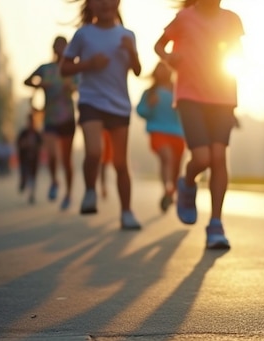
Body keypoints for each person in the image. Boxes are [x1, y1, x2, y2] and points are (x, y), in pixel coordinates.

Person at [154, 0, 243, 249]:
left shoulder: (232, 19)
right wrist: (170, 57)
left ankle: (216, 224)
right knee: (202, 159)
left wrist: (230, 55)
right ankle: (187, 183)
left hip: (223, 96)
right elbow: (158, 46)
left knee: (218, 157)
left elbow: (237, 52)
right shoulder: (184, 18)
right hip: (190, 96)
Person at [60, 0, 142, 230]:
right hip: (91, 101)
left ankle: (127, 212)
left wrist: (131, 52)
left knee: (120, 163)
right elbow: (64, 68)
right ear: (91, 5)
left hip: (119, 105)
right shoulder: (83, 34)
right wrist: (88, 64)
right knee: (94, 151)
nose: (106, 3)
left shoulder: (127, 35)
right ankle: (89, 191)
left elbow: (137, 70)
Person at [24, 36, 78, 210]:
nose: (61, 49)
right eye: (58, 46)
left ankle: (69, 194)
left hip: (68, 118)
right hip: (50, 118)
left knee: (66, 159)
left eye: (64, 46)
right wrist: (40, 84)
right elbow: (26, 81)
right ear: (53, 48)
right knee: (52, 155)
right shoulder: (46, 69)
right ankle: (55, 181)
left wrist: (72, 87)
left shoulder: (72, 69)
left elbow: (81, 85)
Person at [136, 61, 186, 213]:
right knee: (167, 158)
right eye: (159, 68)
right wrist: (149, 106)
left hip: (178, 133)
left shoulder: (179, 90)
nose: (162, 71)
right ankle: (166, 189)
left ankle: (172, 191)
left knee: (176, 167)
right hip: (157, 131)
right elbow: (140, 111)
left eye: (165, 68)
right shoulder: (150, 92)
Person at [16, 110, 43, 204]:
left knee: (33, 178)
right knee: (24, 174)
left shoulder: (37, 134)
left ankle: (31, 195)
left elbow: (41, 145)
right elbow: (18, 144)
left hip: (34, 160)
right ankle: (23, 182)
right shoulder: (23, 133)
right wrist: (25, 144)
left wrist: (34, 147)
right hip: (24, 159)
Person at [99, 129, 112, 199]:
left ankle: (103, 186)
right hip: (103, 131)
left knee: (105, 163)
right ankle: (103, 186)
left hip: (112, 130)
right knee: (103, 163)